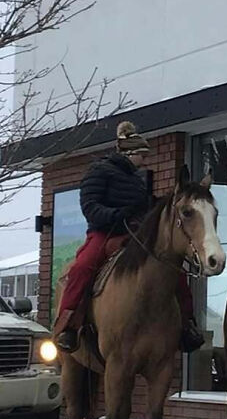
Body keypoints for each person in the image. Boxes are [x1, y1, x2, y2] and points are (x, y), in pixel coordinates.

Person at [53, 121, 204, 354]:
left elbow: (141, 207)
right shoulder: (98, 171)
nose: (144, 161)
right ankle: (68, 326)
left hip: (133, 232)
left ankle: (187, 323)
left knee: (174, 269)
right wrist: (115, 215)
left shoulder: (136, 179)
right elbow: (89, 206)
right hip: (103, 232)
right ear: (130, 153)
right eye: (142, 156)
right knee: (82, 268)